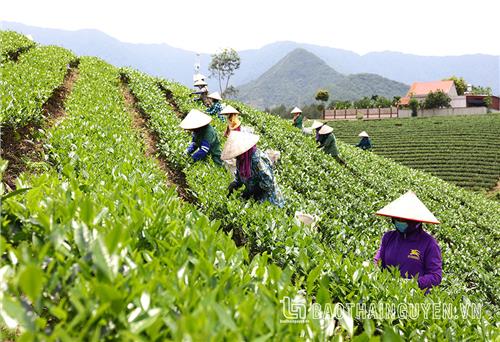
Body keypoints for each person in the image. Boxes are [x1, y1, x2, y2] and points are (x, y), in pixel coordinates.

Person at [373, 191, 442, 292]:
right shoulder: (388, 237)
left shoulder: (429, 243)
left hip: (414, 299)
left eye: (404, 219)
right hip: (387, 293)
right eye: (398, 219)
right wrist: (372, 269)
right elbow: (378, 261)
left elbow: (435, 277)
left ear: (415, 221)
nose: (400, 222)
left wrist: (413, 283)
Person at [223, 131, 284, 207]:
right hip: (256, 197)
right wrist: (234, 185)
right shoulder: (241, 160)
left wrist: (252, 191)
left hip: (268, 199)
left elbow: (268, 183)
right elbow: (239, 178)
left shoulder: (257, 160)